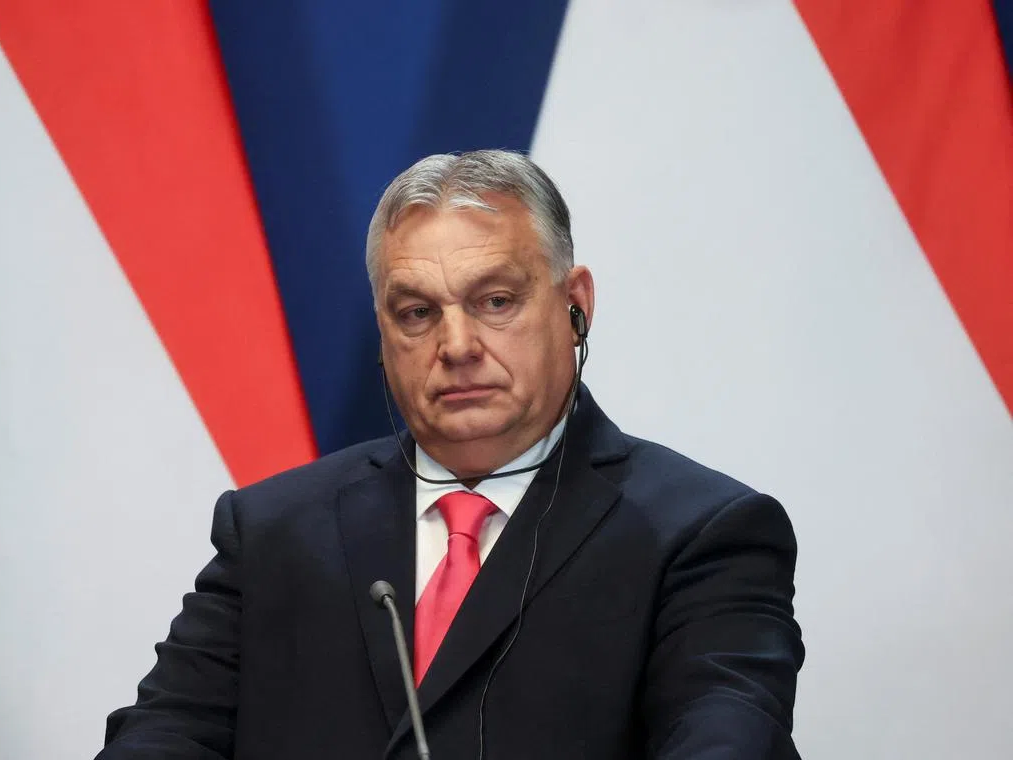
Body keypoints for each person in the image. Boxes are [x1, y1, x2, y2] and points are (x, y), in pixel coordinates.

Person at [98, 150, 804, 759]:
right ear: (383, 332)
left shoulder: (706, 535)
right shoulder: (270, 531)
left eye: (495, 301)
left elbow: (725, 738)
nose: (458, 345)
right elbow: (164, 735)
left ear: (575, 304)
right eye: (417, 313)